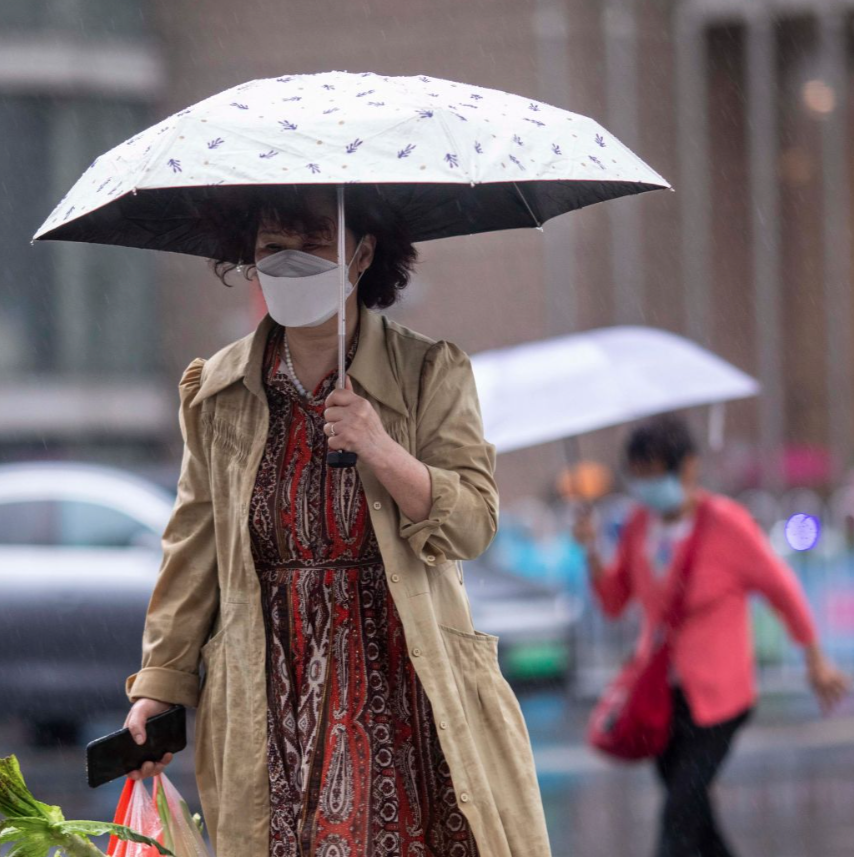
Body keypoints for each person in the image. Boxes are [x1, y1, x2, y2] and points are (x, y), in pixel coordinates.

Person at [121, 186, 552, 857]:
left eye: (313, 244)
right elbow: (192, 549)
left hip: (402, 689)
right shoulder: (219, 390)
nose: (291, 263)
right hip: (269, 693)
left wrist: (382, 448)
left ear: (362, 254)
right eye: (272, 248)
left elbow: (472, 522)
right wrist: (159, 686)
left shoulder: (426, 371)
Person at [573, 415, 851, 857]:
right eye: (637, 474)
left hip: (720, 700)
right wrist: (590, 551)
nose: (645, 485)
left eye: (653, 472)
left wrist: (815, 658)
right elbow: (613, 600)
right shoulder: (638, 528)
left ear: (686, 468)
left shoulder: (727, 525)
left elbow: (784, 591)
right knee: (693, 811)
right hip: (662, 696)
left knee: (679, 814)